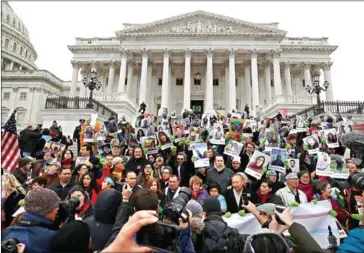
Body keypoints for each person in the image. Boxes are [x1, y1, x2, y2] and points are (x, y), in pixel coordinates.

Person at [2, 188, 61, 253]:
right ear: (44, 209)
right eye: (55, 206)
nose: (58, 209)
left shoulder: (8, 231)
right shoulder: (51, 238)